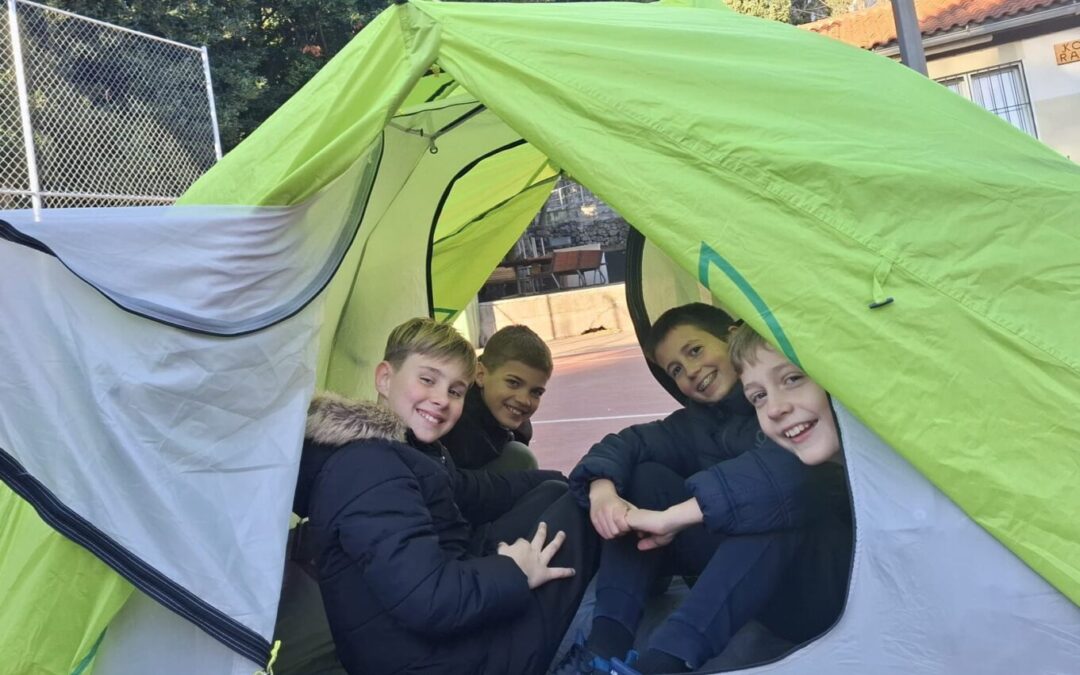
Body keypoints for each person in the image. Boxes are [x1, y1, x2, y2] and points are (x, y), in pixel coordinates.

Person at [292, 318, 599, 675]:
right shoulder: (368, 467)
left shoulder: (406, 448)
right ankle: (611, 645)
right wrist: (515, 570)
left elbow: (472, 490)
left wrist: (565, 478)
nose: (441, 399)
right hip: (444, 657)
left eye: (455, 391)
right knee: (579, 520)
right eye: (428, 379)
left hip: (443, 612)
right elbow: (430, 600)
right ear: (385, 378)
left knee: (556, 493)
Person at [562, 304, 848, 674]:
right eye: (676, 370)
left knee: (769, 509)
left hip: (824, 590)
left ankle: (665, 662)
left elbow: (784, 477)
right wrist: (602, 490)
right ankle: (603, 648)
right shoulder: (697, 424)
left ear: (732, 338)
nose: (691, 371)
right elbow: (628, 443)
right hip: (754, 592)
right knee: (645, 476)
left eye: (695, 350)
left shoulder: (809, 414)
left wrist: (673, 517)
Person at [442, 324, 552, 472]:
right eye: (513, 383)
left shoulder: (519, 425)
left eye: (536, 392)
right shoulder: (456, 424)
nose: (524, 400)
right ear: (480, 375)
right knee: (520, 457)